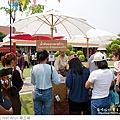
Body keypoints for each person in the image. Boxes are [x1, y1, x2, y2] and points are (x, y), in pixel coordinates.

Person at [31, 50, 60, 115]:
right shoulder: (51, 68)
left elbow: (32, 81)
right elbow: (57, 81)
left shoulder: (33, 68)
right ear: (47, 58)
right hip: (48, 91)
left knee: (37, 113)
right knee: (46, 114)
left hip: (37, 91)